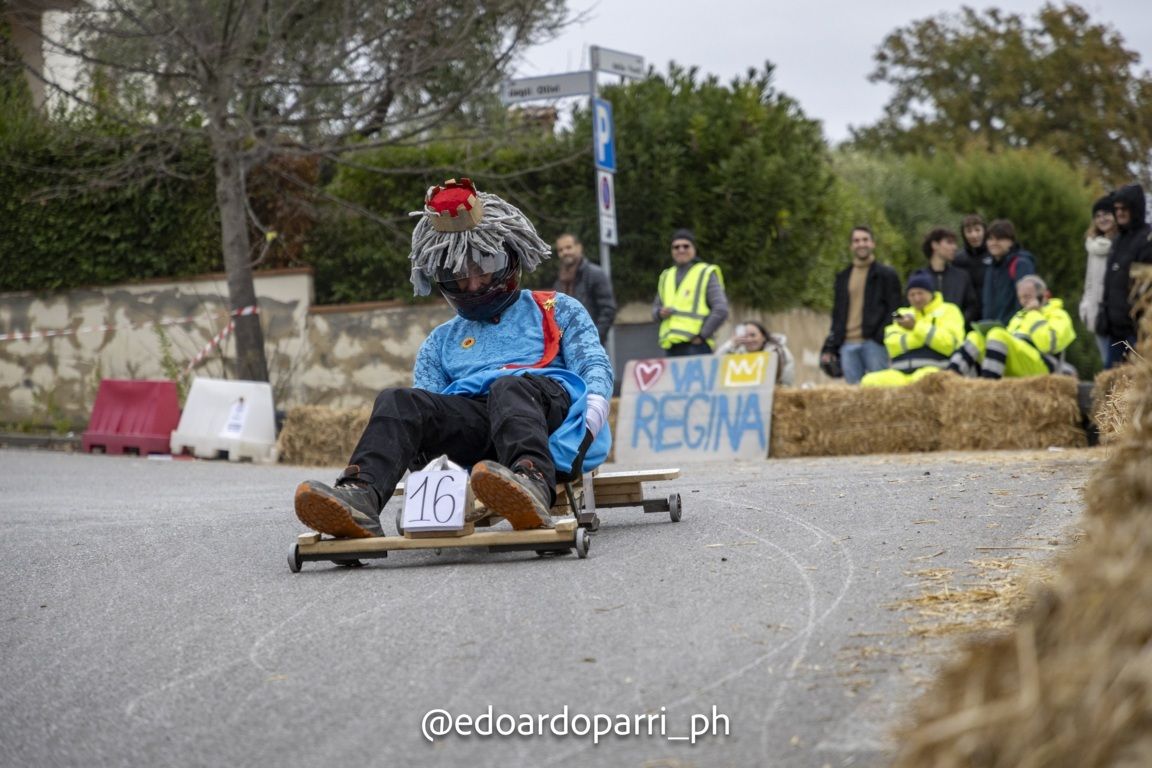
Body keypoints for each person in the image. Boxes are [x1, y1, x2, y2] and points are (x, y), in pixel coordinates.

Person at [293, 178, 612, 538]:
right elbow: (428, 414)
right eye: (459, 274)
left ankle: (532, 482)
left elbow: (594, 366)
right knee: (398, 400)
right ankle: (360, 497)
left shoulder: (557, 308)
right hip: (476, 430)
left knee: (509, 387)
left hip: (544, 417)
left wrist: (592, 419)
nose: (473, 284)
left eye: (485, 266)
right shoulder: (440, 341)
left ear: (510, 258)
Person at [947, 275, 1075, 379]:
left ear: (1044, 295)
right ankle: (948, 379)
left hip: (1043, 366)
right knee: (975, 337)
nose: (1024, 302)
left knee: (997, 334)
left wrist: (1034, 314)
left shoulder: (1059, 314)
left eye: (1028, 297)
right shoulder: (1018, 317)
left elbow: (1048, 344)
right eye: (1021, 298)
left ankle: (987, 386)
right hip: (1019, 361)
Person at [821, 225, 902, 384]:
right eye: (856, 241)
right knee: (854, 397)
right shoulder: (843, 277)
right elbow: (837, 313)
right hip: (847, 344)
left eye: (865, 240)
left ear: (873, 244)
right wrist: (833, 344)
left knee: (879, 393)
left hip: (875, 344)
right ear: (851, 246)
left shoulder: (886, 274)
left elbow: (896, 308)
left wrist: (881, 336)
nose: (861, 244)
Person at [860, 271, 965, 387]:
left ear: (931, 292)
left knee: (923, 381)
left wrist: (915, 327)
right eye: (912, 294)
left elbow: (949, 345)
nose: (916, 298)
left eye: (920, 293)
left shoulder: (949, 310)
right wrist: (926, 341)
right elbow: (891, 345)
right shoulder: (900, 313)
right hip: (899, 373)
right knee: (868, 380)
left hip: (933, 370)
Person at [1099, 183, 1152, 368]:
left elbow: (1143, 289)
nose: (1119, 213)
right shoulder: (1118, 240)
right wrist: (1103, 316)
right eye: (1117, 208)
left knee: (1134, 389)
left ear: (1134, 209)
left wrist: (1138, 324)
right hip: (1114, 331)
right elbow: (1110, 283)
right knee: (1111, 389)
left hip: (1135, 333)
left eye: (1124, 208)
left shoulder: (1147, 240)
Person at [653, 229, 729, 355]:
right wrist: (660, 313)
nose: (681, 250)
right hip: (671, 346)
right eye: (676, 247)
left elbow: (721, 309)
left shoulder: (705, 272)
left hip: (697, 346)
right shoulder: (666, 276)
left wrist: (702, 336)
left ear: (694, 249)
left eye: (686, 246)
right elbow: (655, 309)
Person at [553, 232, 617, 344]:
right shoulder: (559, 281)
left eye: (568, 247)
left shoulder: (595, 274)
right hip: (566, 345)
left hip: (590, 345)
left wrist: (593, 338)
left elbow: (608, 310)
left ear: (579, 248)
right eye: (560, 250)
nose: (565, 252)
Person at [1079, 194, 1118, 365]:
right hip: (1097, 314)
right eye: (1098, 216)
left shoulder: (1120, 243)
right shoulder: (1093, 246)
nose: (1102, 219)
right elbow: (1089, 282)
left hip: (1117, 314)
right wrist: (1085, 307)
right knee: (1106, 365)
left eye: (1106, 214)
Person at [981, 219, 1036, 324]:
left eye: (1000, 239)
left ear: (1011, 241)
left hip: (1013, 331)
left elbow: (1026, 301)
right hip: (992, 331)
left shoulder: (1021, 263)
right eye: (990, 239)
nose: (994, 243)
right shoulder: (991, 267)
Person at [921, 227, 980, 326]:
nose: (955, 247)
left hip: (957, 335)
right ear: (935, 245)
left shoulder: (962, 277)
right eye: (949, 242)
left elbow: (972, 307)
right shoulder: (919, 277)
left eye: (955, 243)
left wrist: (959, 323)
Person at [715, 319, 796, 385]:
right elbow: (714, 363)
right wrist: (730, 344)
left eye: (753, 335)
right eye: (745, 336)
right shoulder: (737, 351)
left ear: (763, 337)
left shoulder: (778, 352)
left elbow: (785, 382)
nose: (749, 340)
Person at [955, 213, 988, 306]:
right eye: (969, 231)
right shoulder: (958, 259)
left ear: (984, 231)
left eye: (977, 230)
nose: (974, 235)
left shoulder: (994, 255)